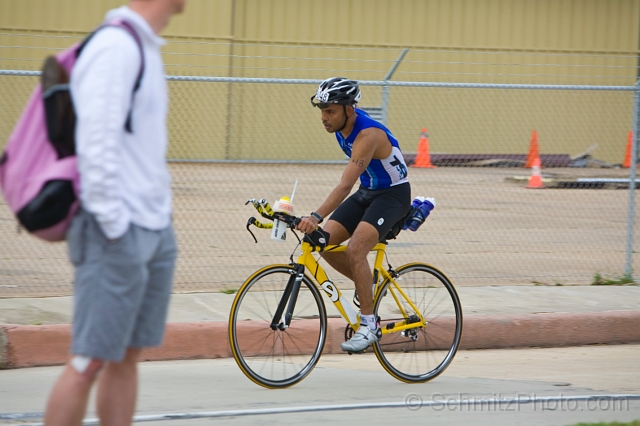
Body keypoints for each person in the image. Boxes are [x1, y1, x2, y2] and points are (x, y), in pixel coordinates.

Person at [44, 1, 186, 425]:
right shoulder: (116, 46)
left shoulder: (145, 46)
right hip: (117, 232)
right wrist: (114, 226)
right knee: (88, 360)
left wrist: (156, 221)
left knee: (126, 355)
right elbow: (96, 144)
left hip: (153, 227)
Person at [297, 77, 411, 353]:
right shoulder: (339, 126)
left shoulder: (367, 134)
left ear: (349, 109)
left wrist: (315, 216)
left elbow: (345, 184)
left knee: (356, 249)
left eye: (330, 111)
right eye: (322, 110)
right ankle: (366, 285)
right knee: (320, 241)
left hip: (393, 196)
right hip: (368, 191)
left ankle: (369, 325)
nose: (324, 117)